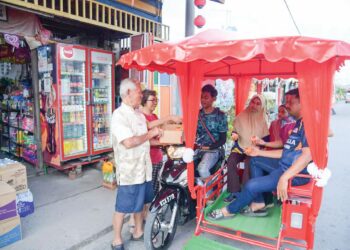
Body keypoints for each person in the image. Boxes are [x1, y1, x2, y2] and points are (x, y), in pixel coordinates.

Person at [208, 88, 312, 220]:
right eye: (286, 102)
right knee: (254, 159)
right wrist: (259, 151)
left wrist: (285, 178)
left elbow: (307, 155)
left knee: (251, 185)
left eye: (290, 102)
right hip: (284, 165)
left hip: (294, 172)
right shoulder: (299, 123)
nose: (286, 105)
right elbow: (286, 152)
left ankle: (229, 210)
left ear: (303, 102)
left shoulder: (308, 124)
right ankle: (258, 201)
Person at [111, 79, 162, 250]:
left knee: (140, 202)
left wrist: (163, 126)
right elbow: (129, 142)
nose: (141, 94)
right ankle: (116, 239)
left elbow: (148, 127)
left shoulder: (139, 114)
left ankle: (138, 231)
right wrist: (151, 134)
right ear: (128, 93)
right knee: (123, 206)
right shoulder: (119, 116)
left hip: (144, 167)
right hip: (129, 170)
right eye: (139, 92)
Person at [224, 94, 269, 202]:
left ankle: (245, 193)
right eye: (253, 102)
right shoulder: (241, 116)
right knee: (231, 161)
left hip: (255, 149)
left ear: (262, 106)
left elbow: (266, 139)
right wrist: (234, 135)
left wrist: (258, 144)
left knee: (249, 163)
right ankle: (234, 192)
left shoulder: (263, 119)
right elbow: (235, 131)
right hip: (240, 147)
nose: (254, 105)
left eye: (258, 104)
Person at [140, 89, 182, 193]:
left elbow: (161, 134)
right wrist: (163, 142)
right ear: (144, 101)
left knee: (155, 187)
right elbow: (145, 139)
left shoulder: (154, 116)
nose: (155, 102)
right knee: (147, 189)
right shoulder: (141, 117)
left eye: (156, 100)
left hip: (157, 157)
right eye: (152, 100)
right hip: (147, 159)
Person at [195, 84, 228, 182]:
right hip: (197, 148)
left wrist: (209, 147)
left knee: (202, 169)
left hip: (213, 150)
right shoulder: (196, 114)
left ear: (214, 99)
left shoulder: (220, 115)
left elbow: (223, 139)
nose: (203, 100)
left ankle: (208, 195)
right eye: (201, 97)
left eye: (206, 97)